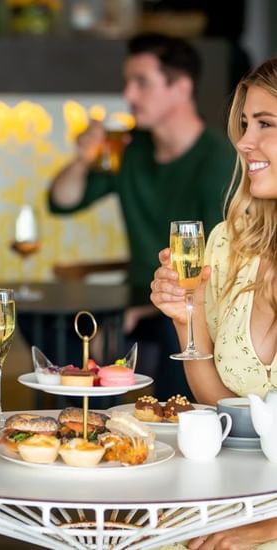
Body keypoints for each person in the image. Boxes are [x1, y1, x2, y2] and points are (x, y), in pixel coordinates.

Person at [45, 32, 235, 400]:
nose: (129, 96)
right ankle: (89, 426)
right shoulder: (131, 151)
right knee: (53, 325)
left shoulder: (218, 160)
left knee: (174, 333)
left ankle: (169, 418)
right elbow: (63, 201)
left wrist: (146, 309)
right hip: (133, 297)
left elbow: (212, 268)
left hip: (190, 301)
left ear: (181, 87)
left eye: (141, 83)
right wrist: (83, 159)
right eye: (128, 83)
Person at [151, 57, 277, 549]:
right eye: (244, 124)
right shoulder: (230, 243)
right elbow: (222, 404)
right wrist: (191, 313)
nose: (244, 141)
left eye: (266, 124)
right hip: (243, 494)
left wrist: (264, 532)